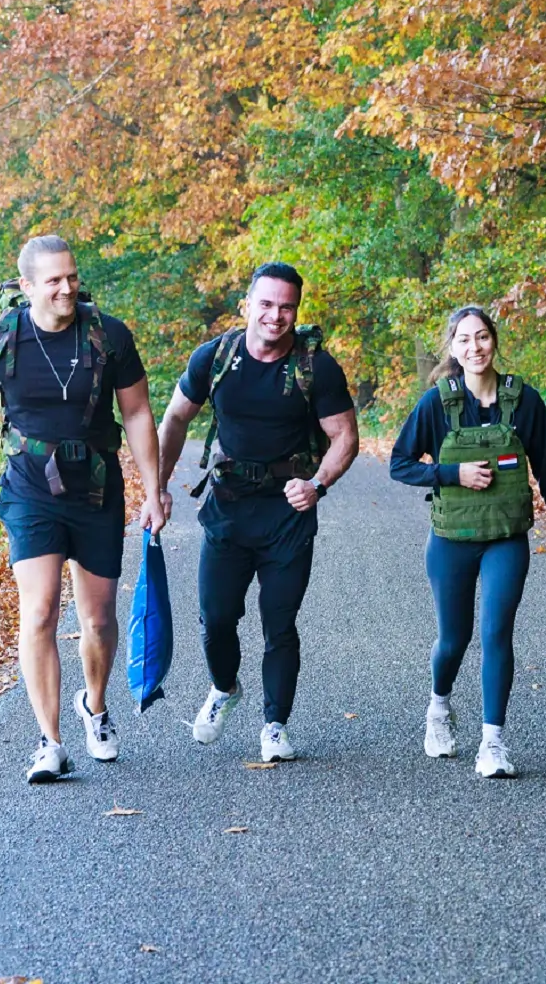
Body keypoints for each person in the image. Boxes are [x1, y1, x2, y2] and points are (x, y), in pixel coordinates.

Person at [0, 235, 165, 784]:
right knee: (39, 612)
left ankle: (94, 706)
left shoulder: (108, 336)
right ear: (27, 287)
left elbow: (136, 413)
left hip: (95, 488)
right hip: (29, 488)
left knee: (97, 618)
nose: (67, 288)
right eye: (54, 280)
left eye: (71, 277)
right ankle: (50, 741)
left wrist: (153, 487)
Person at [151, 262, 360, 763]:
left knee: (279, 623)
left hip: (287, 515)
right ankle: (225, 687)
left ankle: (275, 725)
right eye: (266, 304)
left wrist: (316, 484)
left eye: (286, 306)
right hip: (227, 509)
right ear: (247, 305)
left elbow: (345, 438)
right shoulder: (216, 357)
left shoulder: (316, 367)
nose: (275, 316)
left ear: (296, 310)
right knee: (216, 618)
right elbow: (176, 417)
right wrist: (154, 487)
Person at [389, 306, 546, 779]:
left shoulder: (525, 401)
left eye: (482, 337)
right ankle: (438, 709)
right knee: (454, 639)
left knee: (496, 633)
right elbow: (400, 463)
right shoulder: (437, 403)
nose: (475, 348)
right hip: (451, 539)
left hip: (506, 538)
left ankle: (492, 742)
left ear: (494, 341)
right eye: (464, 340)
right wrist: (453, 473)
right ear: (452, 348)